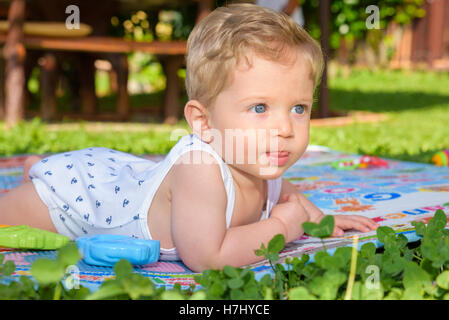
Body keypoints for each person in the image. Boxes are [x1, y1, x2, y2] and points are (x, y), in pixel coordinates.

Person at [0, 4, 378, 272]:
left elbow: (293, 200)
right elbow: (207, 258)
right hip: (76, 197)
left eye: (299, 108)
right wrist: (282, 227)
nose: (285, 128)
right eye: (260, 108)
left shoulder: (261, 158)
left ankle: (35, 168)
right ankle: (37, 178)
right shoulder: (201, 169)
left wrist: (322, 218)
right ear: (203, 121)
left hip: (123, 177)